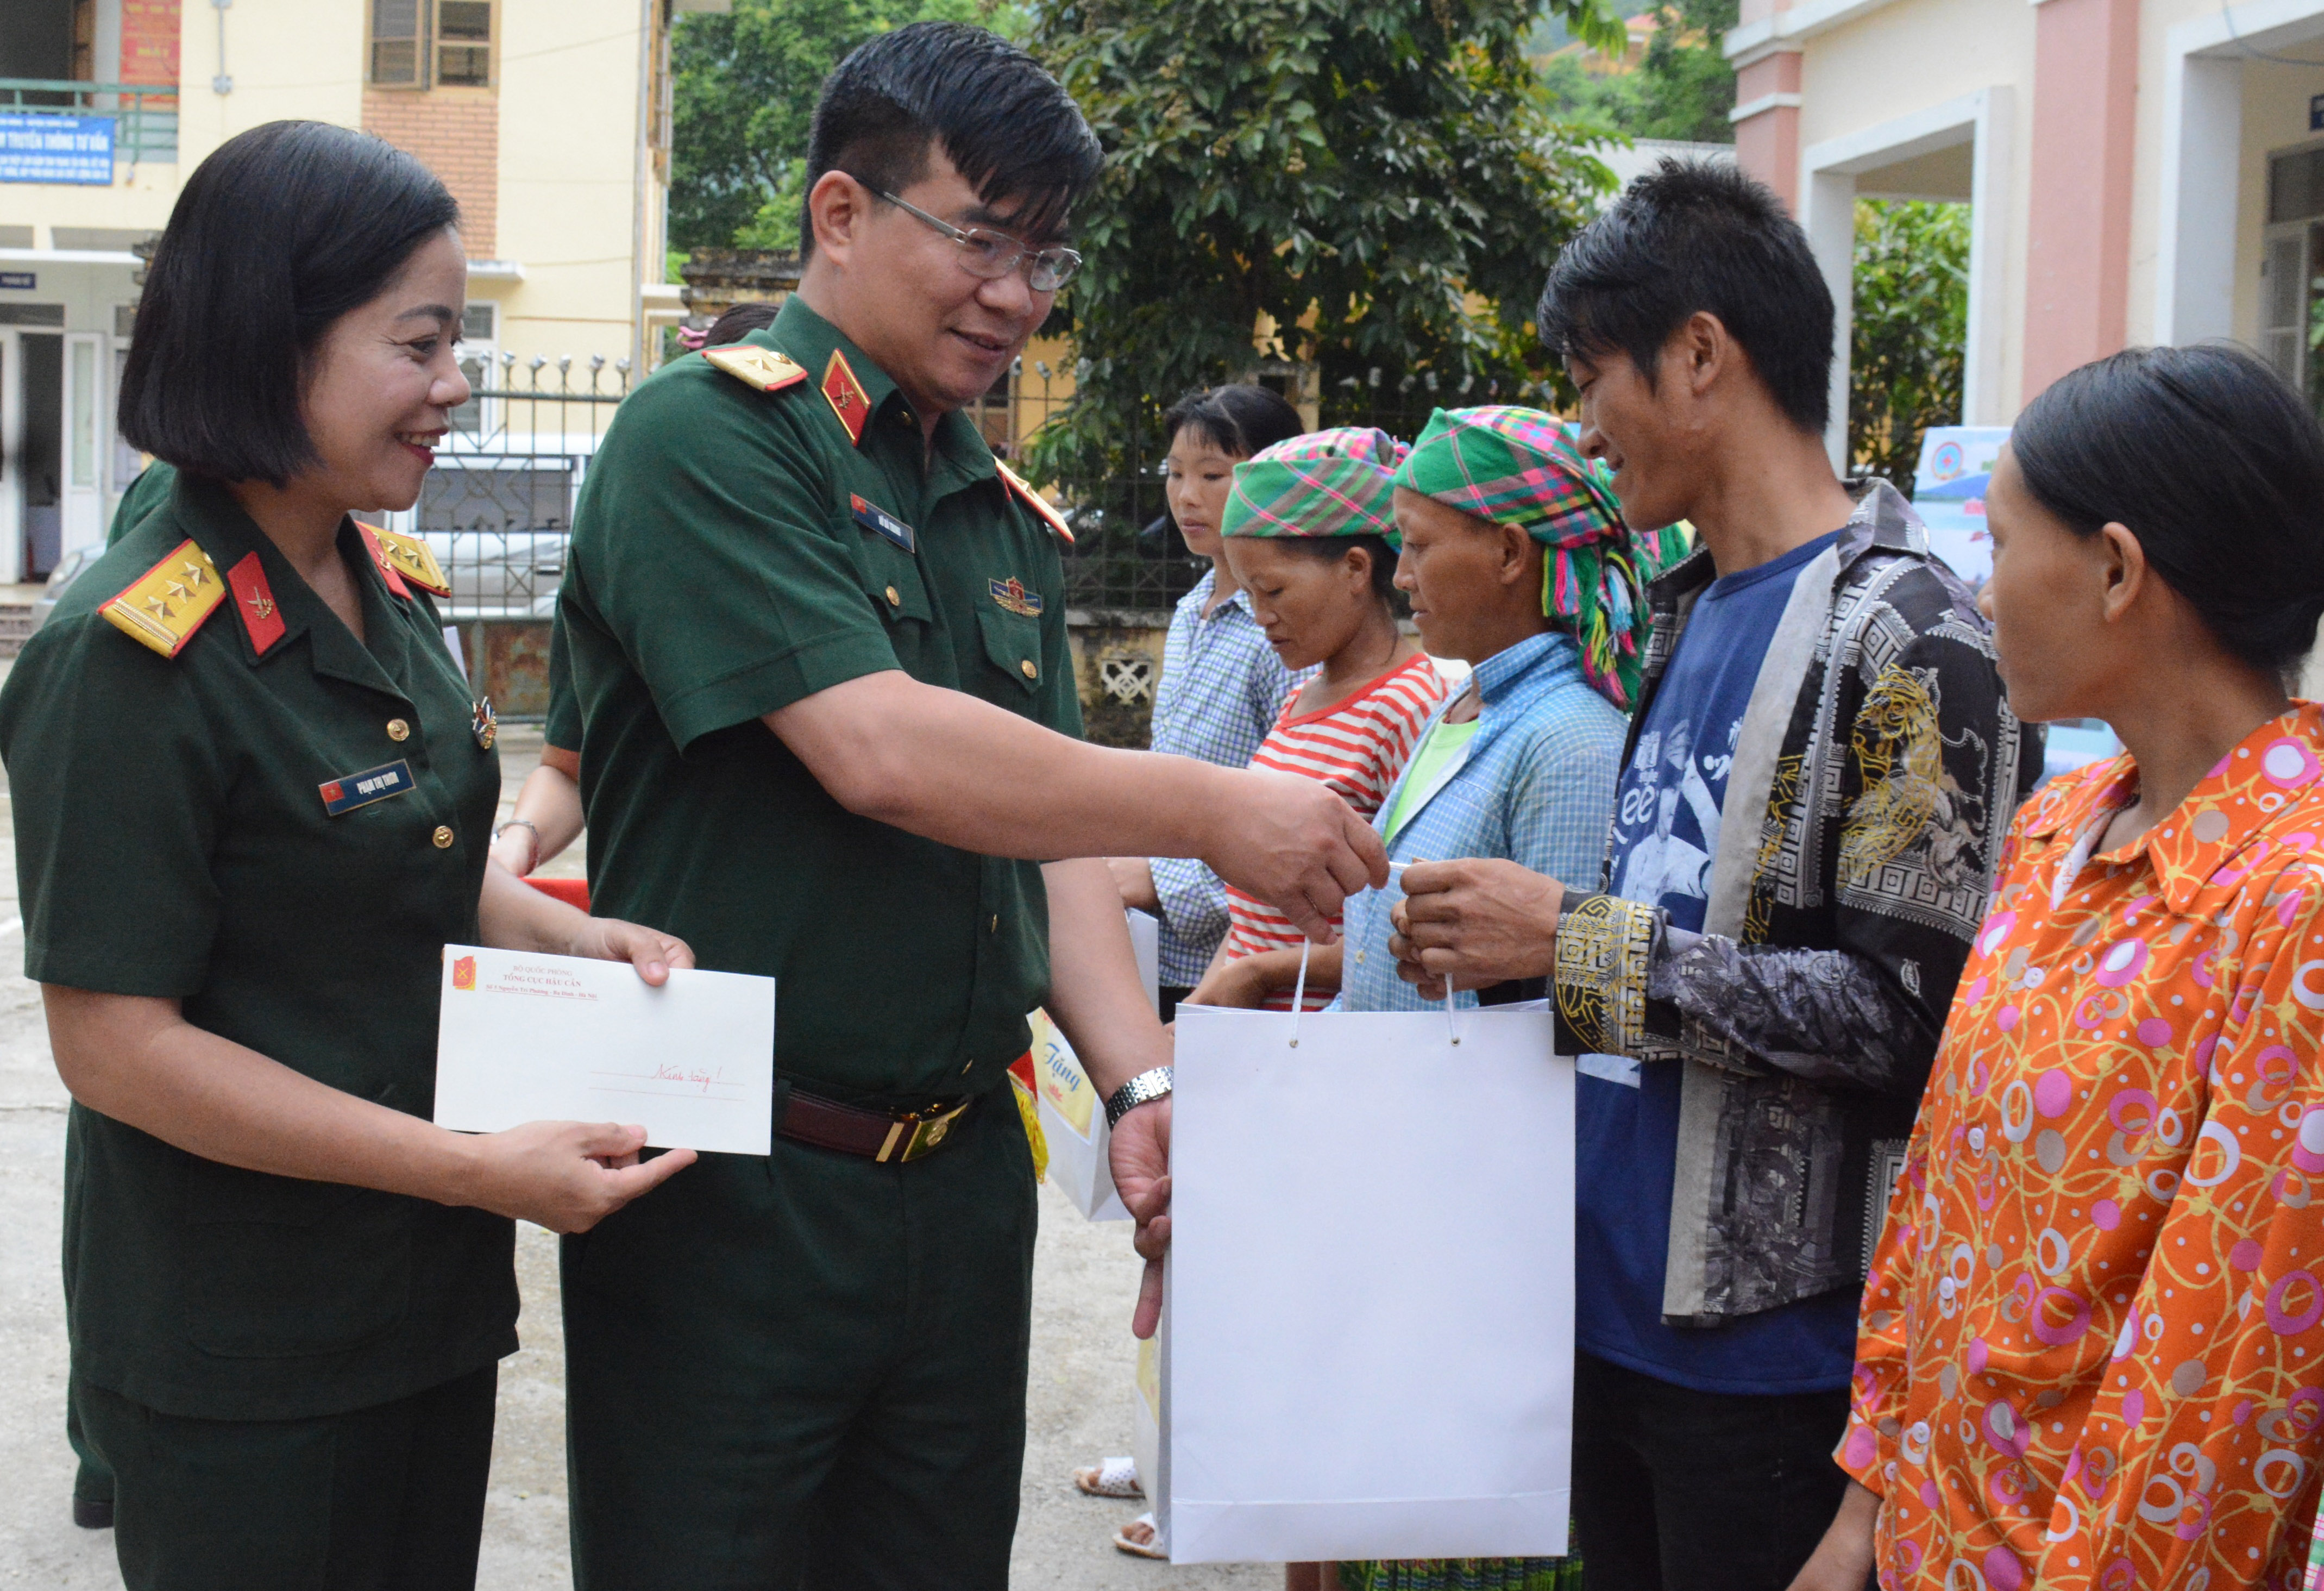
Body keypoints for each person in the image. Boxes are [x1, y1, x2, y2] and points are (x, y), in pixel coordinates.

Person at [547, 24, 1384, 1587]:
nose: (1015, 295)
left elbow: (1051, 845)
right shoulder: (706, 444)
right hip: (736, 1184)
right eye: (980, 239)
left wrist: (1138, 1090)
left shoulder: (997, 515)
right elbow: (877, 749)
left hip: (956, 1185)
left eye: (1044, 255)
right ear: (840, 215)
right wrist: (1211, 807)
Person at [0, 120, 697, 1589]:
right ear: (272, 340)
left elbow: (410, 857)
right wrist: (465, 1168)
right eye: (420, 343)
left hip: (416, 1305)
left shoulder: (375, 576)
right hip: (245, 1348)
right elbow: (117, 1045)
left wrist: (580, 937)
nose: (457, 387)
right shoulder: (132, 652)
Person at [1386, 160, 2036, 1591]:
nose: (1577, 423)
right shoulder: (1671, 614)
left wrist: (1570, 945)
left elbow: (1905, 1019)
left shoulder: (1910, 632)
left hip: (1769, 1361)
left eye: (1586, 375)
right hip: (1597, 1314)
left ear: (1696, 355)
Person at [1786, 346, 2324, 1591]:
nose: (1975, 585)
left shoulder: (2291, 902)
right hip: (1930, 1539)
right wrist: (1864, 1511)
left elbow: (2220, 1389)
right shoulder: (2059, 825)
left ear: (2118, 570)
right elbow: (1939, 1197)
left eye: (2000, 541)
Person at [1203, 406, 1684, 1591]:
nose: (1402, 574)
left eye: (1420, 546)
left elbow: (1575, 1031)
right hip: (1405, 1198)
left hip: (1476, 1242)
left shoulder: (1567, 737)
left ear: (1513, 556)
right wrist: (1276, 975)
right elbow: (1397, 936)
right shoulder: (1470, 709)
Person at [1189, 427, 1450, 1015]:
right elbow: (1260, 910)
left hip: (1324, 1057)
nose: (1260, 616)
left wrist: (1260, 975)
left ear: (1356, 570)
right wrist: (1211, 999)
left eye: (1273, 590)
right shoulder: (1303, 697)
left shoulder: (1407, 709)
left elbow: (1407, 929)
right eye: (1249, 593)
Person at [1105, 383, 1310, 1019]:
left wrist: (1162, 887)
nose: (1187, 496)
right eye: (1175, 474)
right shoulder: (1192, 610)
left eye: (1214, 475)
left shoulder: (1283, 631)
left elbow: (1300, 822)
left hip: (1240, 972)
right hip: (1152, 954)